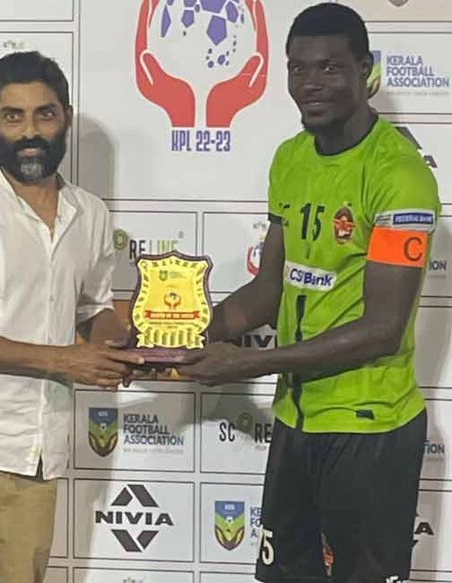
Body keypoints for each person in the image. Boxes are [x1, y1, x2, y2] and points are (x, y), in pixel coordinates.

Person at [178, 4, 439, 582]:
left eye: (329, 68)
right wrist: (192, 330)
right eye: (298, 69)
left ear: (365, 69)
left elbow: (382, 328)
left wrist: (250, 362)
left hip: (369, 429)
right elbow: (269, 287)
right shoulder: (290, 158)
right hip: (298, 423)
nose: (310, 85)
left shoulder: (401, 174)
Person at [0, 51, 142, 583]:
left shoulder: (91, 215)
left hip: (43, 454)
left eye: (43, 114)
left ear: (65, 116)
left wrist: (122, 344)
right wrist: (66, 361)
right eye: (12, 116)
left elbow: (92, 308)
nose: (29, 132)